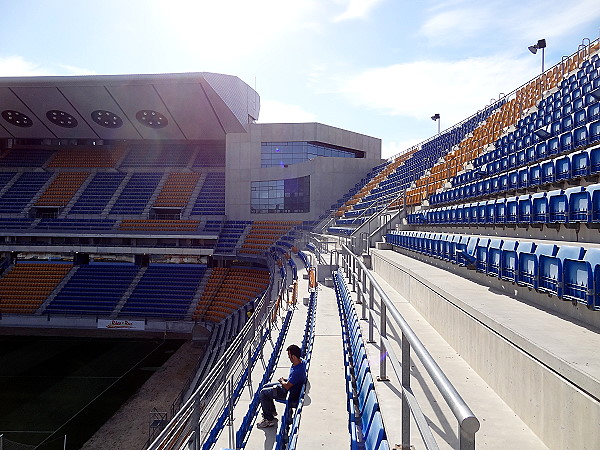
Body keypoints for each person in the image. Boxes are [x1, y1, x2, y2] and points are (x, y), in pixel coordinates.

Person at [256, 344, 306, 428]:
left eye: (289, 356)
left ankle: (268, 419)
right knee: (265, 386)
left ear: (293, 356)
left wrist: (282, 381)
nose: (288, 358)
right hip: (289, 386)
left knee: (263, 393)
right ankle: (271, 412)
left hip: (287, 392)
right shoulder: (302, 362)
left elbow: (287, 386)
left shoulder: (297, 371)